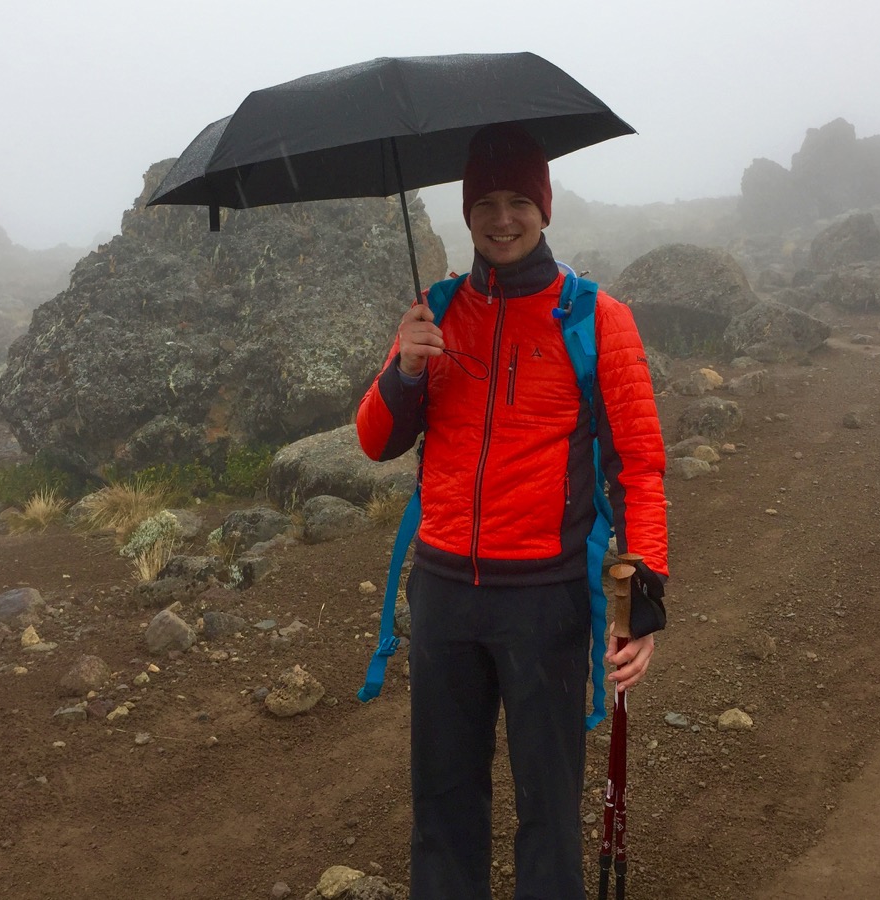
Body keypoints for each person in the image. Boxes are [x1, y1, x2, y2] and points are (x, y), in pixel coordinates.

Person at [356, 123, 668, 900]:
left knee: (549, 810)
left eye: (519, 201)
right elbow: (375, 442)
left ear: (545, 208)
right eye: (486, 202)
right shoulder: (432, 313)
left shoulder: (597, 319)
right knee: (443, 802)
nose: (502, 219)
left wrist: (645, 601)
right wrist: (405, 371)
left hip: (546, 597)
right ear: (466, 212)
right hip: (443, 596)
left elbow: (639, 468)